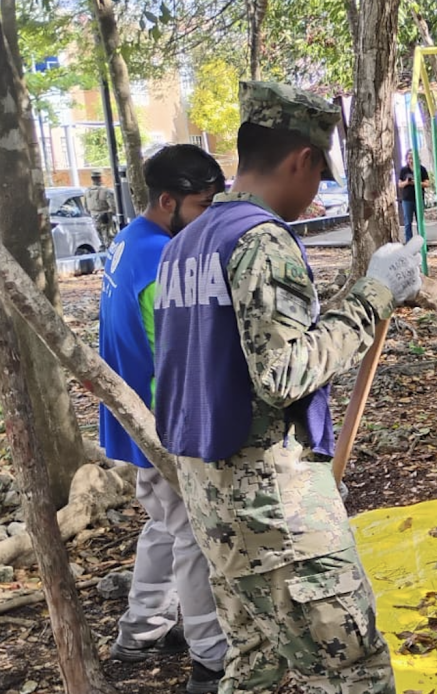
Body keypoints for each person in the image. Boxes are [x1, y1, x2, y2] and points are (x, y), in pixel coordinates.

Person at [152, 81, 423, 692]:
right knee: (355, 670)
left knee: (255, 665)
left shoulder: (186, 243)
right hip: (275, 508)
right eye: (320, 174)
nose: (316, 191)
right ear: (302, 159)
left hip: (213, 498)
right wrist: (376, 291)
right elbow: (284, 372)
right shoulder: (262, 240)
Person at [99, 144, 229, 694]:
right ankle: (211, 655)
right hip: (162, 423)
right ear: (168, 201)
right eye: (203, 205)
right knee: (196, 534)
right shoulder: (162, 261)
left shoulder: (130, 239)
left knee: (164, 523)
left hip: (131, 418)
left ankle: (140, 631)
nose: (209, 216)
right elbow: (174, 355)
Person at [397, 150, 429, 242]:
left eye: (412, 158)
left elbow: (427, 183)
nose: (410, 160)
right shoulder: (404, 170)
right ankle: (409, 243)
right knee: (407, 223)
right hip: (407, 199)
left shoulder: (421, 169)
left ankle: (422, 243)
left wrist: (416, 182)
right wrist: (406, 182)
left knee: (420, 222)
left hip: (418, 199)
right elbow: (400, 184)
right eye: (409, 158)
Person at [85, 169, 118, 246]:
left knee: (101, 240)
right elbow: (113, 207)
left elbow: (86, 208)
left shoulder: (87, 191)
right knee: (109, 240)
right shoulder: (106, 191)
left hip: (94, 218)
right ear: (100, 178)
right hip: (105, 218)